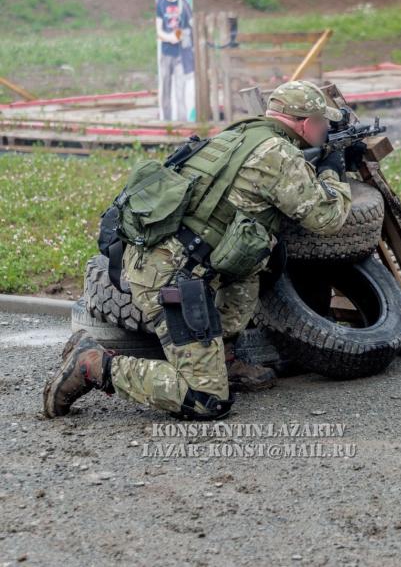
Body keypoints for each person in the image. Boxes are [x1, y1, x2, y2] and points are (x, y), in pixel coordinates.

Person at [44, 81, 358, 422]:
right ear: (304, 123)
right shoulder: (278, 155)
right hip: (172, 278)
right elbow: (327, 218)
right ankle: (93, 365)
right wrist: (333, 170)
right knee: (205, 400)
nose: (325, 130)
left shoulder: (239, 134)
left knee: (255, 255)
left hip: (173, 257)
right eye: (322, 124)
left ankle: (222, 359)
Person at [156, 0, 195, 122]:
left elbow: (191, 23)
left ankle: (183, 126)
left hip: (180, 55)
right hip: (166, 53)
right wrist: (168, 37)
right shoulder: (160, 3)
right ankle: (166, 123)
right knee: (165, 92)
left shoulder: (183, 3)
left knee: (180, 93)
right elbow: (158, 30)